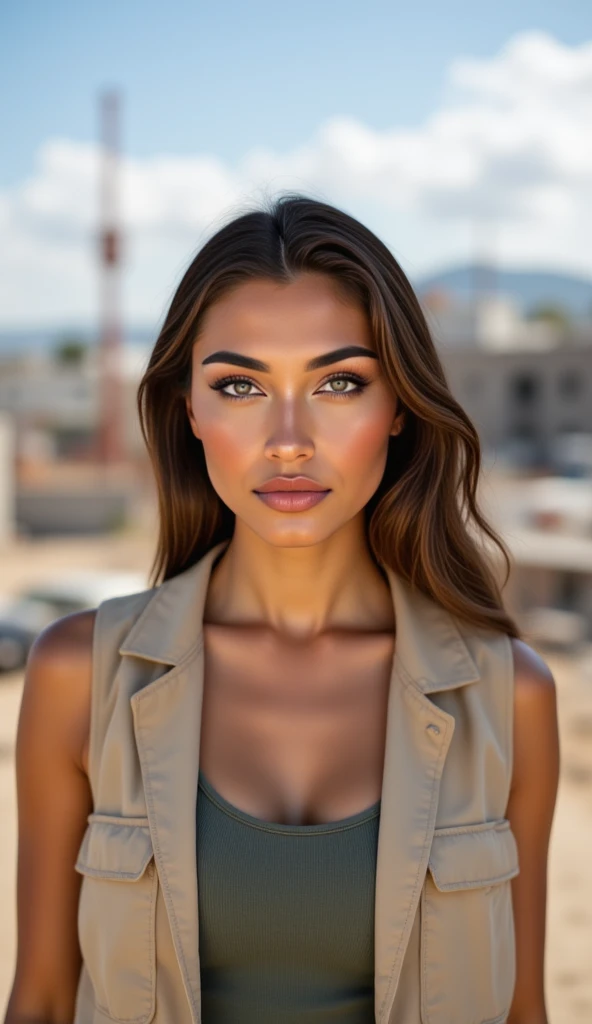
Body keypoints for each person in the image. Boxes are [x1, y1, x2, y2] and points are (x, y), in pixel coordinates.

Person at [5, 194, 559, 1024]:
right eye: (239, 385)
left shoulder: (509, 697)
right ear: (188, 407)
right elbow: (41, 1001)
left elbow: (523, 1012)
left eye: (339, 383)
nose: (290, 438)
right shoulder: (77, 678)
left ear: (400, 405)